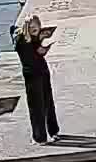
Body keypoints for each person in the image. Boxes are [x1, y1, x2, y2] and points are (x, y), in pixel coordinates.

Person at [12, 14, 60, 144]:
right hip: (31, 75)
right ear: (26, 27)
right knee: (36, 106)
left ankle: (53, 131)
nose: (35, 29)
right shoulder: (21, 40)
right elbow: (26, 51)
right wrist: (40, 48)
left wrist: (42, 43)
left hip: (42, 71)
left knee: (48, 101)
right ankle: (40, 137)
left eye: (37, 27)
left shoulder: (34, 38)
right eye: (32, 27)